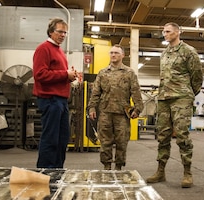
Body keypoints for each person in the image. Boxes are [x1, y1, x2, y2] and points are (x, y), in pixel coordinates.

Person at [146, 22, 203, 188]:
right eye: (163, 31)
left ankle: (187, 172)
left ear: (178, 32)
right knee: (162, 136)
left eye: (168, 31)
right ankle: (160, 171)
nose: (165, 34)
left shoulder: (188, 51)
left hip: (181, 98)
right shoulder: (164, 54)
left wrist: (187, 93)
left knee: (182, 135)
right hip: (164, 98)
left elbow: (197, 77)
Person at [87, 44, 144, 170]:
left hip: (122, 114)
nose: (113, 55)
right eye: (111, 52)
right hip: (105, 113)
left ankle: (119, 168)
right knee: (105, 142)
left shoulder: (129, 73)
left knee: (122, 142)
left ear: (123, 55)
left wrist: (138, 109)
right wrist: (91, 108)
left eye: (116, 53)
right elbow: (96, 92)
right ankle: (106, 167)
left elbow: (136, 92)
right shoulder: (102, 73)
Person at [33, 18, 78, 168]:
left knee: (62, 139)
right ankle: (46, 173)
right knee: (51, 139)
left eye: (65, 32)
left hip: (61, 100)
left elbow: (58, 74)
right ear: (51, 32)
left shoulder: (59, 51)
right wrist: (65, 74)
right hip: (50, 99)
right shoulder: (43, 49)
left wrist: (70, 76)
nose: (63, 35)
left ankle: (57, 172)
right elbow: (40, 74)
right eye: (60, 31)